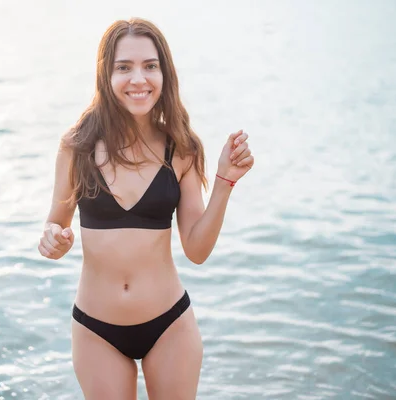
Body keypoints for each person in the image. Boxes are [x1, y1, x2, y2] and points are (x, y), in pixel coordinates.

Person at [38, 17, 254, 400]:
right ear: (106, 75)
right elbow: (56, 228)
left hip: (169, 325)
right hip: (96, 330)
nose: (139, 78)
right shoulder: (77, 146)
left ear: (164, 73)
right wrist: (54, 239)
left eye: (150, 66)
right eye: (124, 67)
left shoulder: (182, 148)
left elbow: (197, 251)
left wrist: (225, 182)